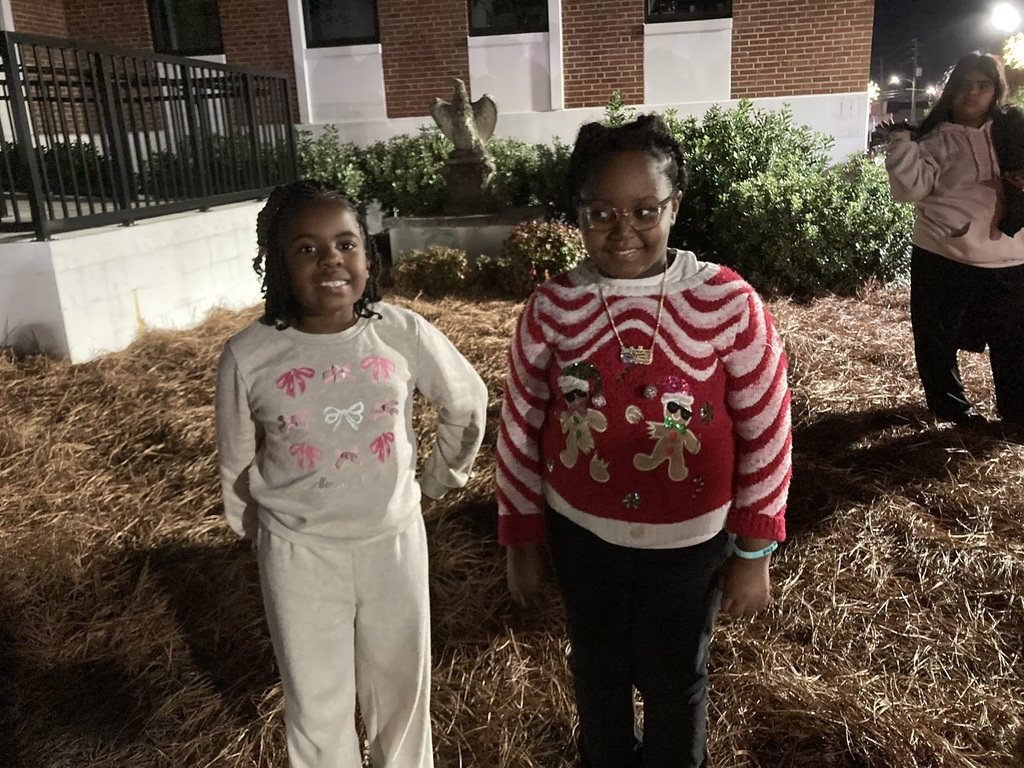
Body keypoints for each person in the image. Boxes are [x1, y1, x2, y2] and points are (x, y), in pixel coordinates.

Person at [495, 115, 792, 768]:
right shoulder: (552, 308)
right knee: (595, 668)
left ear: (675, 206)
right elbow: (519, 425)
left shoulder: (726, 302)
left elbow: (767, 425)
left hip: (691, 544)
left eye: (644, 209)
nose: (622, 228)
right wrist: (520, 537)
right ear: (577, 212)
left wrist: (755, 547)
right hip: (580, 534)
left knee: (675, 677)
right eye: (600, 211)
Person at [215, 179, 488, 768]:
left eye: (346, 243)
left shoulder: (401, 332)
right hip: (298, 555)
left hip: (392, 544)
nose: (331, 259)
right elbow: (236, 460)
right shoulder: (248, 354)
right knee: (316, 709)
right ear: (276, 264)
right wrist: (255, 531)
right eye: (306, 248)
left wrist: (438, 479)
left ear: (368, 253)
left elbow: (466, 403)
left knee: (401, 696)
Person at [875, 52, 1024, 429]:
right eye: (965, 84)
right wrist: (901, 147)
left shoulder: (1013, 133)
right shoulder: (932, 140)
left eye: (983, 85)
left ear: (995, 91)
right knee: (937, 342)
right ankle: (952, 408)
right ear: (950, 90)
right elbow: (910, 189)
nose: (972, 93)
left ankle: (1017, 413)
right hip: (943, 252)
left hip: (1010, 255)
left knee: (1014, 344)